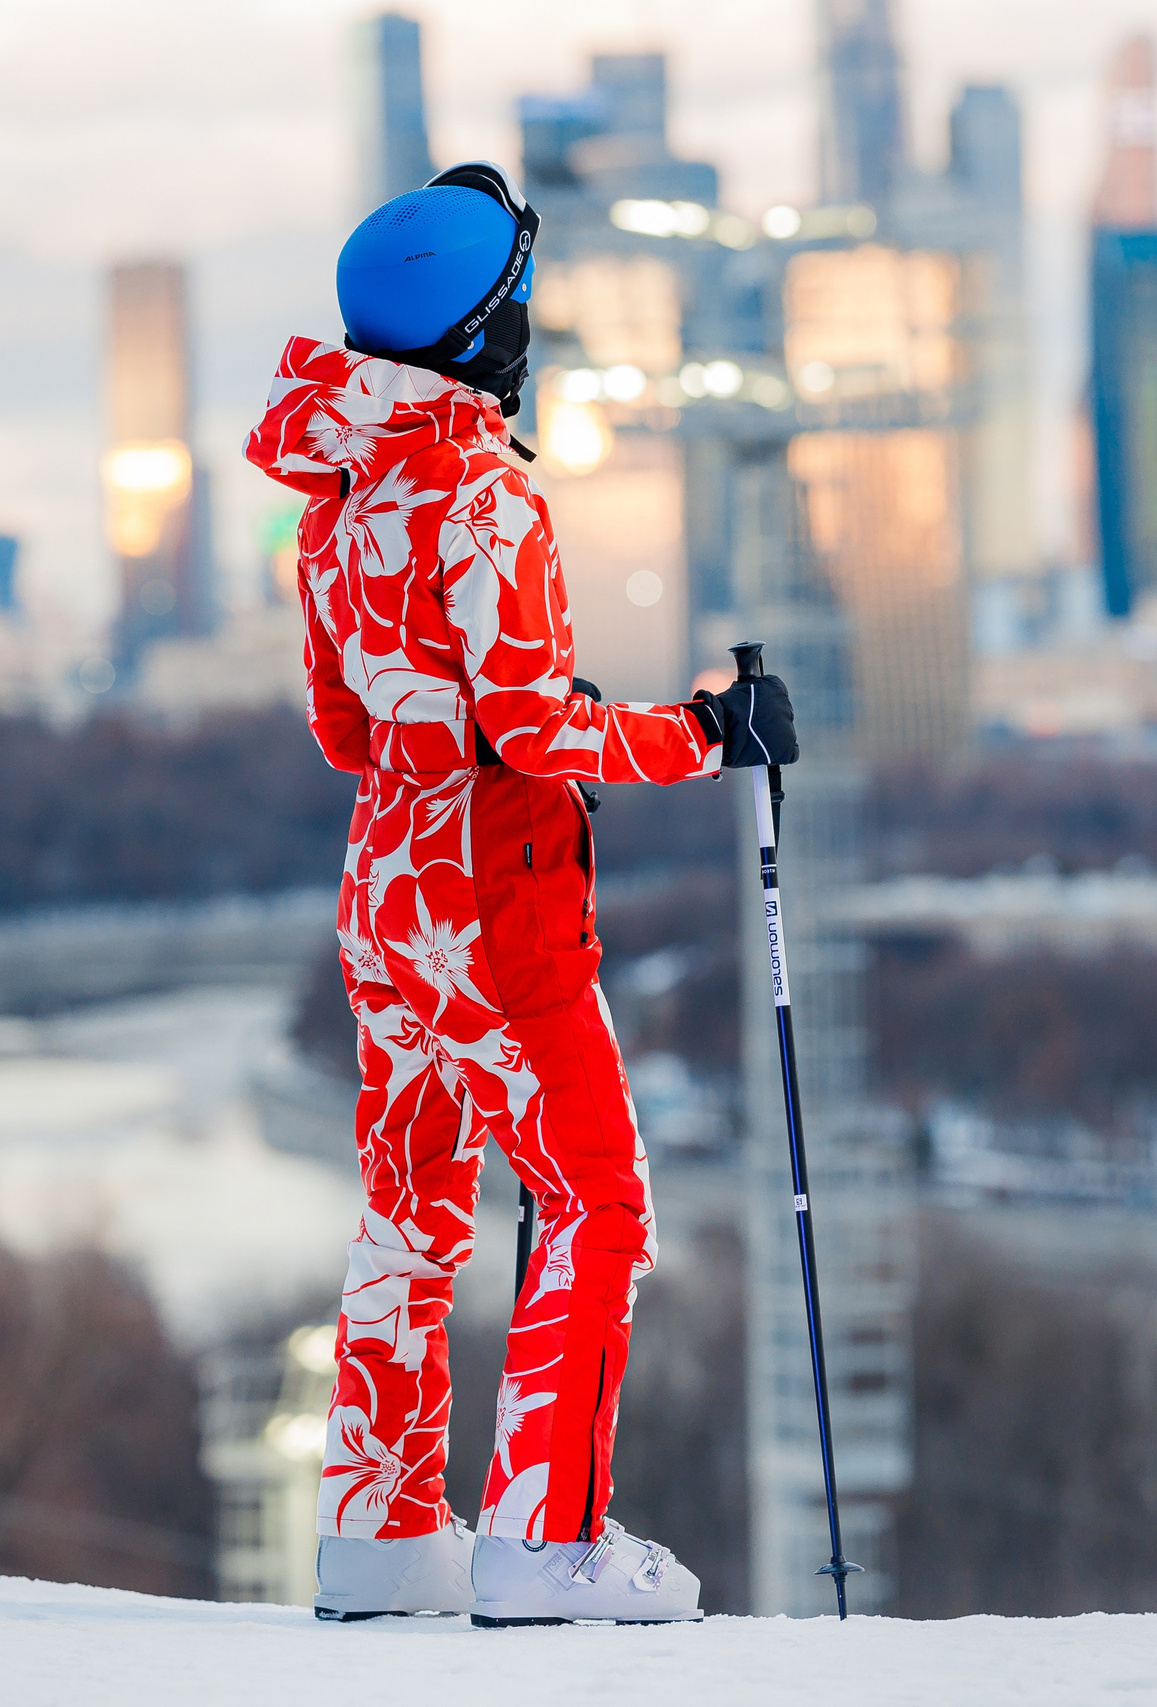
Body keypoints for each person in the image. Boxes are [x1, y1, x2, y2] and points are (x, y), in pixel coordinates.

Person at [242, 163, 796, 1627]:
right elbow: (539, 734)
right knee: (593, 1200)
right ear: (493, 332)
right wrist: (700, 729)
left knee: (410, 1207)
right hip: (499, 902)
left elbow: (349, 733)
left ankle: (380, 1529)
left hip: (387, 895)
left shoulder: (343, 501)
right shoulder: (483, 497)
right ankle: (544, 1543)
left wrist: (478, 712)